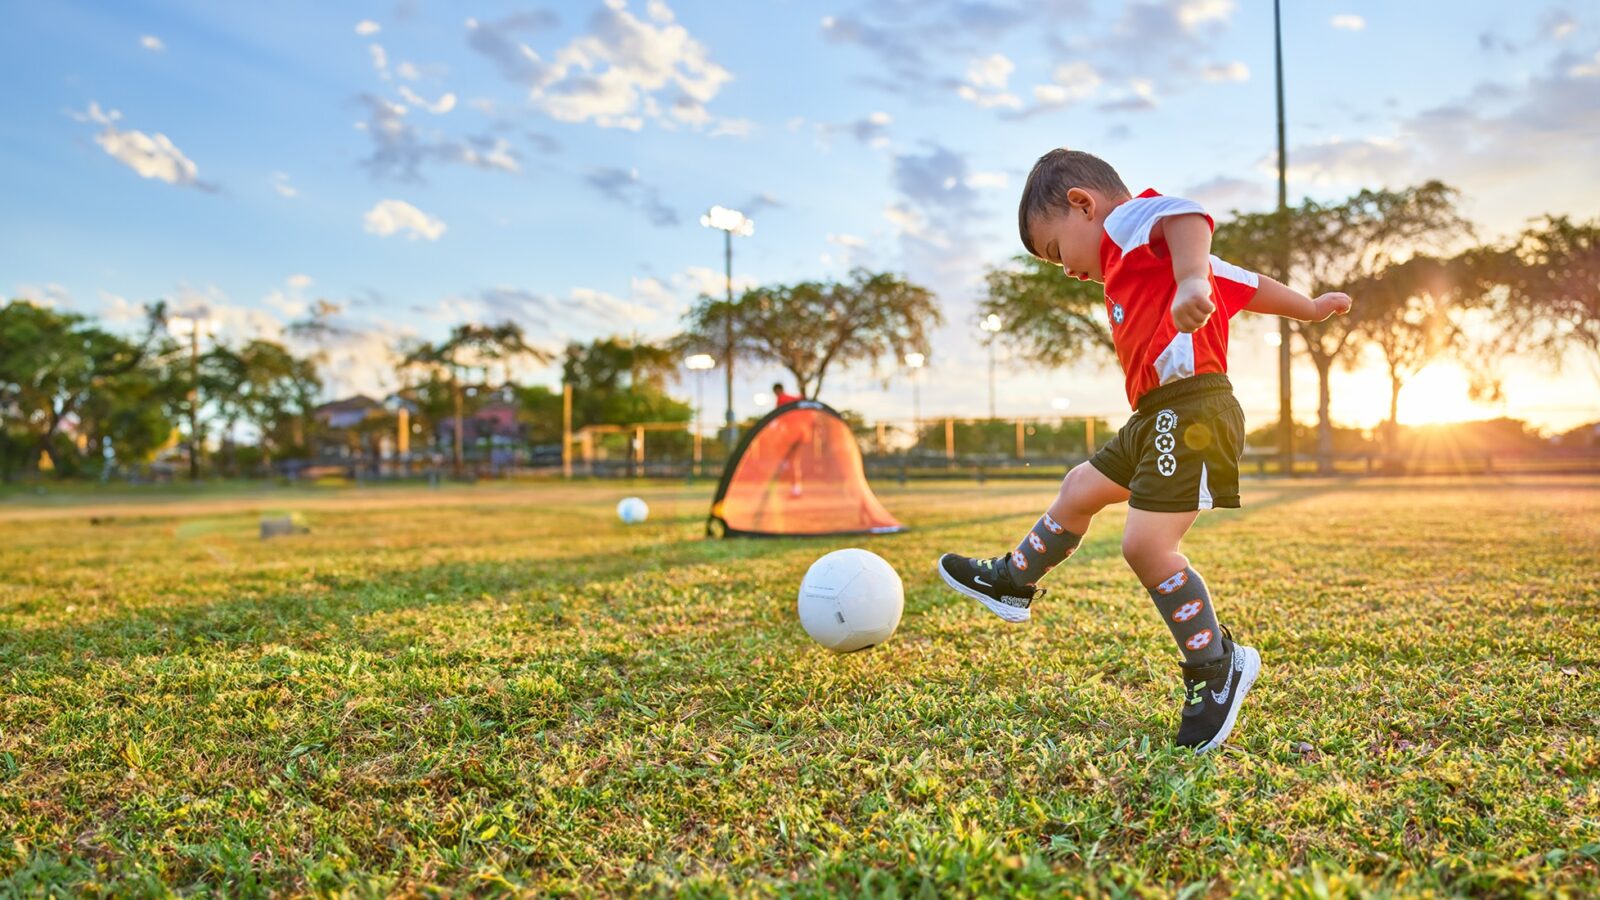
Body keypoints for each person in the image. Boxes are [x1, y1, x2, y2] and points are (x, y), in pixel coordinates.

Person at [935, 149, 1353, 753]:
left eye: (1056, 251)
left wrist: (1188, 281)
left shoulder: (1128, 224)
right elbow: (1244, 283)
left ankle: (1217, 664)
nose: (1066, 270)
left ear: (1083, 204)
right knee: (1080, 488)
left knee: (1146, 545)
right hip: (1157, 414)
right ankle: (1013, 581)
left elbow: (1190, 217)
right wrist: (1307, 308)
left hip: (1193, 412)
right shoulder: (1137, 259)